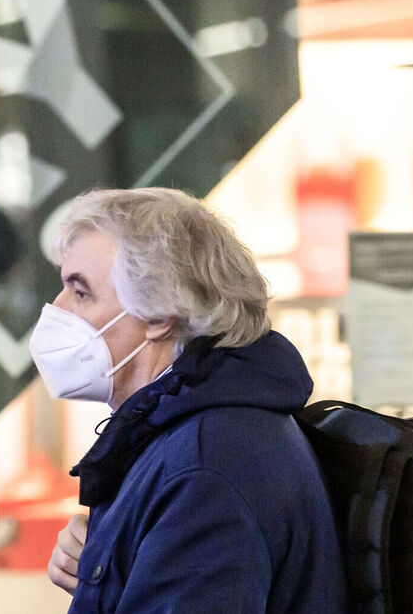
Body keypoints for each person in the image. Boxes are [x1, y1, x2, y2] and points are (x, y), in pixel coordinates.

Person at [31, 188, 347, 612]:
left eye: (81, 292)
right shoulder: (193, 435)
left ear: (159, 316)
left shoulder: (206, 467)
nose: (57, 308)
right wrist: (103, 571)